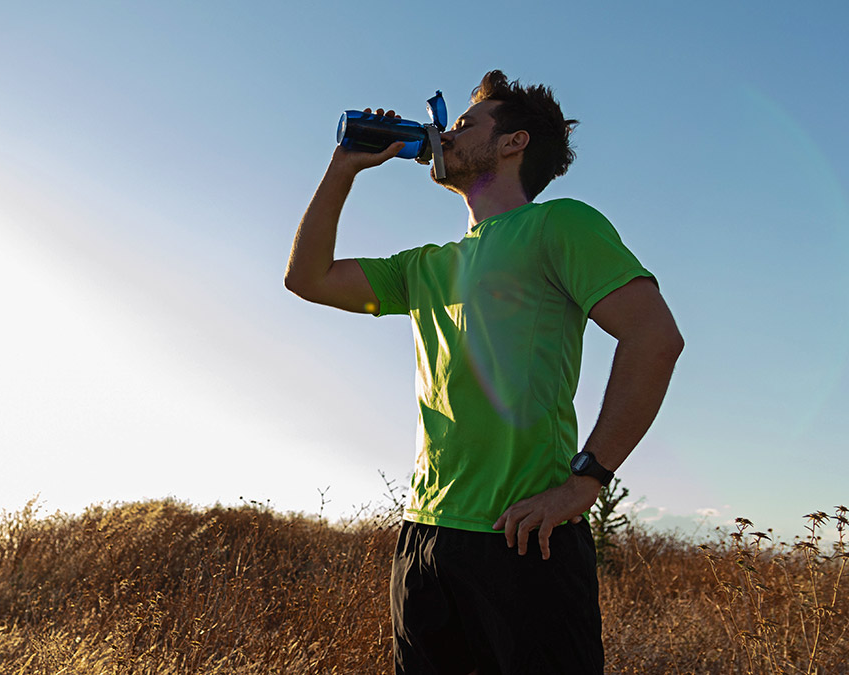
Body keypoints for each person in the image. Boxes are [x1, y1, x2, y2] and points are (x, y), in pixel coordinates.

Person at [284, 71, 684, 674]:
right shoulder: (425, 267)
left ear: (513, 142)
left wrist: (585, 482)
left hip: (524, 540)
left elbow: (655, 339)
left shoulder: (560, 224)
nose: (445, 134)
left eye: (466, 124)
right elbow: (307, 279)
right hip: (426, 535)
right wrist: (343, 168)